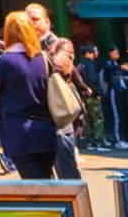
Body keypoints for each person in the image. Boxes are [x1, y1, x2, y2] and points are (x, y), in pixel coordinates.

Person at [0, 12, 55, 179]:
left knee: (34, 186)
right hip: (46, 130)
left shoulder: (5, 61)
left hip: (19, 132)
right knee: (46, 182)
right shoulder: (43, 59)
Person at [47, 37, 85, 179]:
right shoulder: (52, 71)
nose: (71, 56)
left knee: (68, 170)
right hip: (59, 126)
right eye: (68, 53)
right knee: (67, 171)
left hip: (67, 126)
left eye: (72, 53)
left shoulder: (69, 73)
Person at [102, 47, 128, 149]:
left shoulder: (118, 64)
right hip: (114, 91)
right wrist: (121, 67)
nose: (117, 54)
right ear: (110, 53)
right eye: (115, 52)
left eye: (118, 52)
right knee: (117, 115)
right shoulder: (107, 64)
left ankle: (127, 139)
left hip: (123, 91)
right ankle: (118, 140)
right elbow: (109, 69)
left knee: (126, 115)